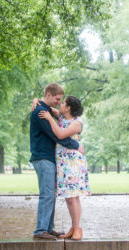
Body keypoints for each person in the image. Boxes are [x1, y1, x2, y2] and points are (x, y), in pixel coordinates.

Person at [30, 83, 84, 240]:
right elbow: (56, 135)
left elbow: (59, 128)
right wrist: (76, 145)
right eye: (57, 99)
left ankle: (48, 228)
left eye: (62, 101)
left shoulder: (46, 110)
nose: (59, 103)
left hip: (55, 159)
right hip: (43, 157)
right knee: (47, 194)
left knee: (51, 195)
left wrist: (37, 99)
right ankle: (41, 230)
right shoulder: (40, 111)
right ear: (48, 95)